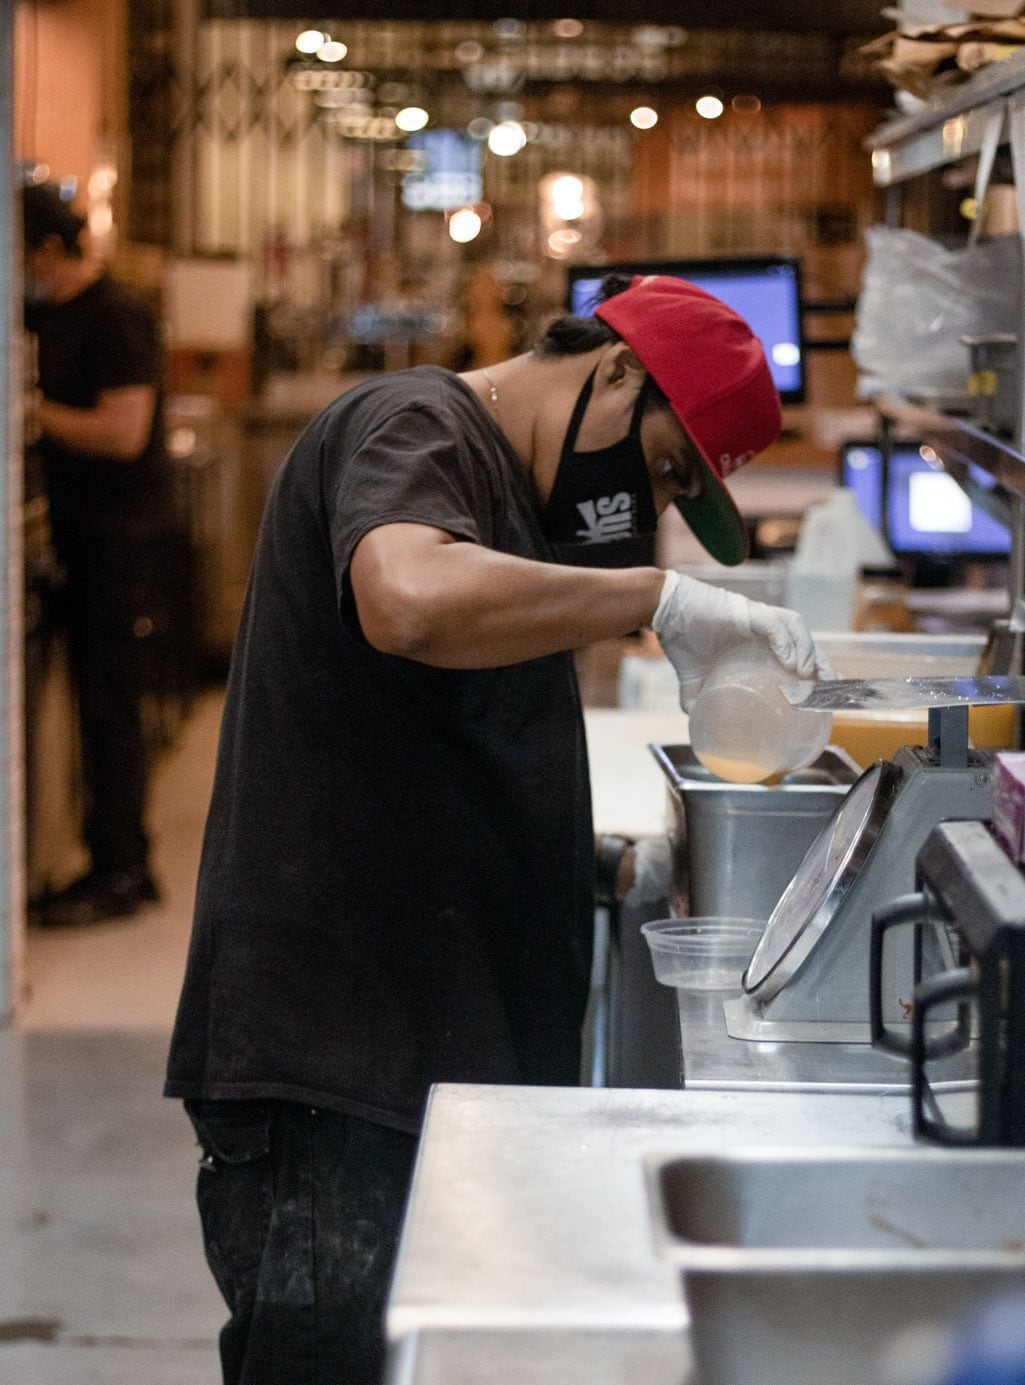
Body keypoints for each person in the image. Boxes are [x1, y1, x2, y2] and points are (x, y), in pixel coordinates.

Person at [165, 273, 828, 1385]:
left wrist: (598, 861)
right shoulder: (411, 426)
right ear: (617, 371)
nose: (647, 509)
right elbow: (409, 600)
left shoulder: (515, 502)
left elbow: (449, 736)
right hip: (338, 1066)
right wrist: (651, 597)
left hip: (423, 1048)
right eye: (662, 470)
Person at [23, 179, 175, 927]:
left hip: (121, 545)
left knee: (112, 709)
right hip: (82, 543)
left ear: (50, 248)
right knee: (94, 704)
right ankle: (110, 857)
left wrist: (29, 412)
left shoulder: (116, 317)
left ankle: (122, 866)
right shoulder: (47, 315)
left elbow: (122, 432)